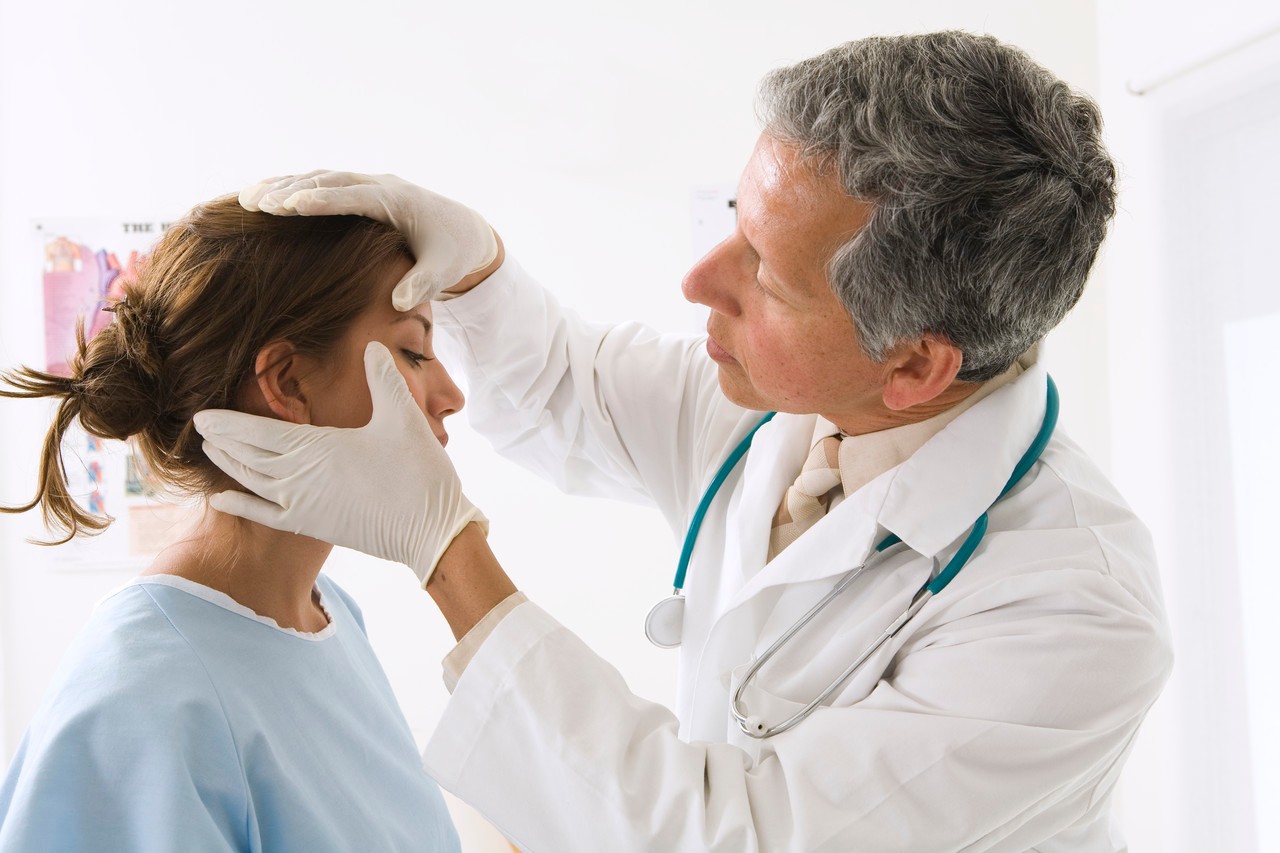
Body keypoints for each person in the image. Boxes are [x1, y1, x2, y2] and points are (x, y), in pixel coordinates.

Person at [196, 31, 1173, 851]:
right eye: (732, 220)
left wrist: (445, 549)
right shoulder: (788, 407)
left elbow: (722, 837)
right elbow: (559, 387)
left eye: (766, 274)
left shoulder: (1068, 611)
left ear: (913, 366)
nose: (699, 280)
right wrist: (476, 264)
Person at [0, 197, 472, 851]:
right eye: (414, 351)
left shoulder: (328, 614)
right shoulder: (139, 704)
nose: (451, 393)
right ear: (288, 382)